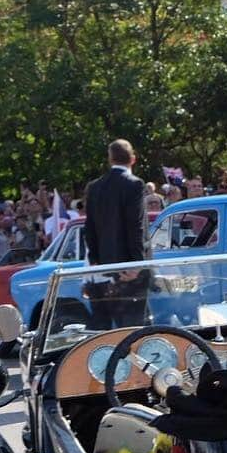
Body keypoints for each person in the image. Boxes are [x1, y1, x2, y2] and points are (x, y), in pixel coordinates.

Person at [84, 138, 148, 327]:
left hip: (104, 267)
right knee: (133, 326)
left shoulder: (95, 187)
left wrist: (95, 259)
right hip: (130, 267)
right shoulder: (134, 184)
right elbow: (135, 225)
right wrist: (137, 263)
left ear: (110, 160)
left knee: (111, 327)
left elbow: (90, 228)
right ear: (133, 159)